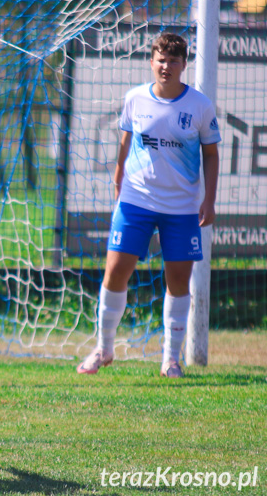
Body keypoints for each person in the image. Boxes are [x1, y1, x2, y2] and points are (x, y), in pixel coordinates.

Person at [76, 32, 221, 378]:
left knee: (178, 281)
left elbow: (212, 155)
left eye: (173, 60)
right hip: (136, 200)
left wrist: (209, 200)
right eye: (160, 59)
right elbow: (125, 143)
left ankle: (172, 358)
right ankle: (104, 348)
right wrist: (117, 179)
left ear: (184, 65)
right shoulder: (135, 99)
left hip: (182, 207)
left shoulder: (199, 106)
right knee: (115, 272)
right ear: (151, 61)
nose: (166, 66)